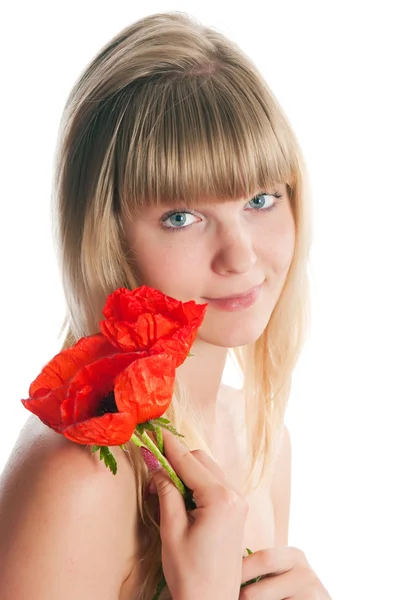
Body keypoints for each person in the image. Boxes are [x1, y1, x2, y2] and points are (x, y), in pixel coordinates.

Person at [0, 10, 332, 600]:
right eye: (182, 217)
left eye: (261, 198)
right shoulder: (75, 479)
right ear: (109, 238)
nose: (240, 256)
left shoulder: (261, 440)